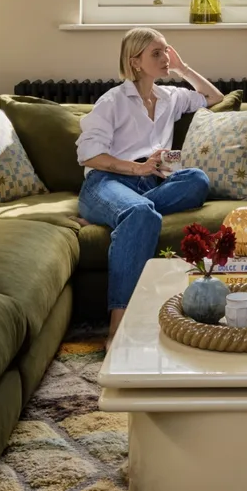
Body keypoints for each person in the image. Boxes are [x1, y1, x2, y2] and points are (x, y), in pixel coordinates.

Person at [76, 27, 221, 348]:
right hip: (107, 181)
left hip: (150, 183)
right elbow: (88, 154)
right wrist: (137, 167)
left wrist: (182, 68)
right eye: (156, 53)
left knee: (196, 180)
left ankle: (119, 216)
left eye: (166, 50)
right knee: (143, 213)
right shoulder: (112, 101)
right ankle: (118, 327)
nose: (165, 57)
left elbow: (215, 98)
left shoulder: (170, 97)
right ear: (135, 62)